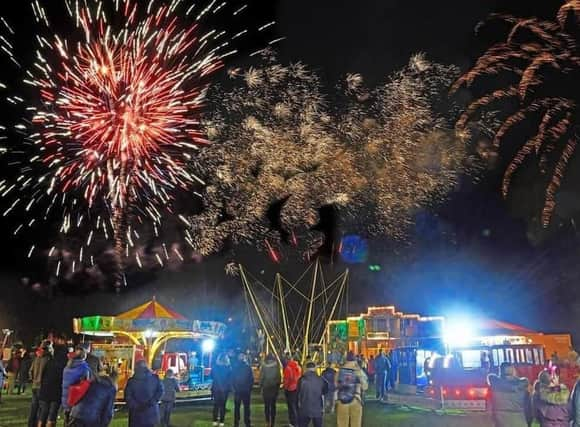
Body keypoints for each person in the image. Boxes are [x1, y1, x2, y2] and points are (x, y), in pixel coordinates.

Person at [487, 362, 532, 427]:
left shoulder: (495, 383)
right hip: (520, 421)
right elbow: (528, 407)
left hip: (501, 422)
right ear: (513, 370)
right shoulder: (522, 385)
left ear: (501, 371)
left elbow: (490, 376)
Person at [125, 360, 163, 427]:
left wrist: (136, 406)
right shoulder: (155, 378)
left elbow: (128, 397)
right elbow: (160, 392)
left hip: (136, 415)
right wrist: (152, 402)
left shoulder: (131, 381)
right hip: (151, 413)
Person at [336, 351, 368, 427]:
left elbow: (335, 384)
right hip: (356, 399)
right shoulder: (358, 371)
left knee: (342, 424)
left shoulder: (340, 371)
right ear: (355, 359)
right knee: (356, 424)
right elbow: (365, 387)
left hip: (342, 400)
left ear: (346, 359)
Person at [62, 345, 92, 424]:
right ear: (84, 356)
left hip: (66, 398)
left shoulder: (67, 366)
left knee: (66, 420)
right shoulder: (84, 367)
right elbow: (87, 383)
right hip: (76, 399)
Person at [38, 348, 65, 427]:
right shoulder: (63, 365)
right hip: (56, 392)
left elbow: (42, 375)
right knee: (52, 415)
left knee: (43, 413)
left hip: (45, 390)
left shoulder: (49, 362)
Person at [29, 341, 52, 427]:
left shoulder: (36, 358)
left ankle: (31, 425)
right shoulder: (48, 359)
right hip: (42, 387)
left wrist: (33, 380)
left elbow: (30, 371)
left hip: (34, 386)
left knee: (34, 408)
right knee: (43, 409)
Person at [297, 361, 328, 427]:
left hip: (304, 408)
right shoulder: (321, 380)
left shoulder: (301, 380)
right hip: (317, 409)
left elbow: (298, 393)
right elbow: (325, 392)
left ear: (306, 368)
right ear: (315, 368)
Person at [232, 353, 254, 427]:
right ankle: (247, 422)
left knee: (237, 407)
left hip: (238, 390)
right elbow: (251, 380)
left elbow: (232, 379)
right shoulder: (248, 368)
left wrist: (234, 388)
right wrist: (249, 388)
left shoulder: (235, 367)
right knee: (246, 407)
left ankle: (236, 422)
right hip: (246, 391)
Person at [260, 353, 281, 427]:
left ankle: (267, 422)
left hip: (266, 388)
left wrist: (261, 386)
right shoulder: (276, 366)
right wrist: (278, 386)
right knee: (273, 406)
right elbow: (279, 378)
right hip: (274, 388)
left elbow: (261, 377)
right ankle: (273, 422)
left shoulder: (264, 367)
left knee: (266, 406)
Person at [211, 354, 232, 427]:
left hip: (216, 388)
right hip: (225, 389)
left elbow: (212, 376)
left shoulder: (214, 367)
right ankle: (222, 422)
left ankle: (214, 420)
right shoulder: (228, 368)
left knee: (216, 405)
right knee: (223, 405)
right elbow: (230, 379)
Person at [283, 354, 302, 427]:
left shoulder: (288, 368)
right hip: (298, 388)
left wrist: (285, 387)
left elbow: (287, 379)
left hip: (290, 389)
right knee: (297, 405)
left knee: (291, 406)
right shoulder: (298, 367)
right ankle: (298, 421)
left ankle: (293, 422)